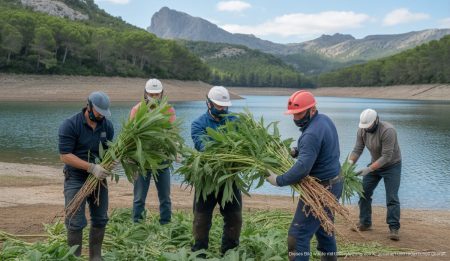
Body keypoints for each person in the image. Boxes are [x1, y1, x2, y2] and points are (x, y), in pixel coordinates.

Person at [266, 90, 342, 261]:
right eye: (293, 114)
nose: (296, 118)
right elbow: (320, 147)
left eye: (299, 113)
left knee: (298, 235)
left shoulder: (310, 134)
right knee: (325, 230)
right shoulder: (324, 121)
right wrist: (297, 151)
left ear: (312, 110)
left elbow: (302, 169)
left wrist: (278, 180)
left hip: (322, 190)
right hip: (335, 182)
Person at [58, 91, 114, 260]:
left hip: (99, 179)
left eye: (104, 113)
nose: (101, 116)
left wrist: (112, 161)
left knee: (100, 218)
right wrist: (91, 167)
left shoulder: (107, 126)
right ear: (88, 106)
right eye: (98, 112)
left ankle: (95, 257)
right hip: (75, 177)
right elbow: (65, 155)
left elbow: (109, 150)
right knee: (75, 220)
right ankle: (74, 257)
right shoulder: (70, 124)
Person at [190, 86, 242, 256]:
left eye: (225, 106)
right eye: (219, 105)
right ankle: (200, 251)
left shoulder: (235, 121)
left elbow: (243, 143)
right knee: (201, 219)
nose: (223, 109)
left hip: (230, 178)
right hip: (207, 178)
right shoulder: (198, 124)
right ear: (208, 103)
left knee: (234, 217)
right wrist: (225, 150)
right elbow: (202, 146)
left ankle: (230, 252)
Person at [348, 108, 402, 241]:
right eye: (364, 127)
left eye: (369, 126)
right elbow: (357, 149)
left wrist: (368, 169)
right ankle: (365, 223)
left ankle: (393, 228)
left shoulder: (388, 130)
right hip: (375, 165)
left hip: (392, 166)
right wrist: (348, 164)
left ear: (376, 120)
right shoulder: (362, 130)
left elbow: (386, 157)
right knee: (363, 192)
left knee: (392, 197)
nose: (366, 129)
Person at [130, 78, 176, 224]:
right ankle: (137, 225)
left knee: (165, 196)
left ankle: (166, 223)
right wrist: (130, 155)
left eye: (157, 94)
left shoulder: (168, 110)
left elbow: (171, 132)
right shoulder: (137, 110)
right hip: (142, 161)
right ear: (145, 93)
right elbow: (131, 135)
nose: (154, 97)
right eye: (151, 94)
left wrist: (174, 147)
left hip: (162, 160)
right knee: (139, 197)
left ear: (162, 94)